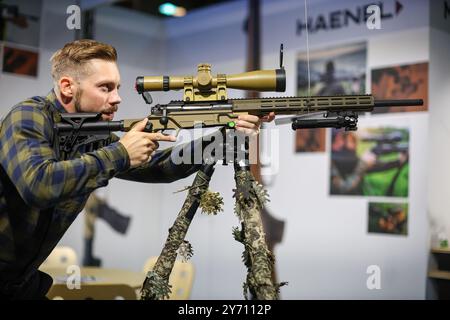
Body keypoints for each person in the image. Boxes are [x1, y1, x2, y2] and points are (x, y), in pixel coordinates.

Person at [0, 39, 274, 299]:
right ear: (67, 87)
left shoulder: (91, 135)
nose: (117, 98)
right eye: (106, 88)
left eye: (117, 87)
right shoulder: (29, 116)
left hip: (19, 285)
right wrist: (120, 153)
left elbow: (160, 166)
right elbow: (39, 184)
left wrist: (226, 135)